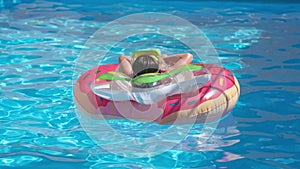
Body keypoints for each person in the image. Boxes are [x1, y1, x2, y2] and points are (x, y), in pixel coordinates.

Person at [118, 50, 193, 78]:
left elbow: (122, 58)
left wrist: (172, 68)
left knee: (164, 57)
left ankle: (162, 58)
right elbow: (188, 56)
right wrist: (172, 69)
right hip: (156, 62)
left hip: (158, 62)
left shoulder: (130, 75)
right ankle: (162, 58)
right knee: (163, 57)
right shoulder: (131, 75)